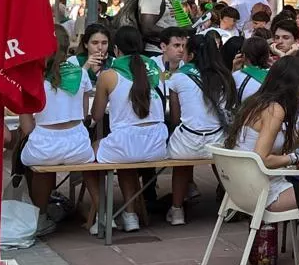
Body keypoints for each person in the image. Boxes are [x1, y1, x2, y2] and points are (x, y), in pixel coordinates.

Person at [224, 55, 299, 265]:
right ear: (294, 84)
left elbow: (272, 149)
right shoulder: (275, 109)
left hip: (240, 190)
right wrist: (296, 160)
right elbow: (262, 157)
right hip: (262, 192)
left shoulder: (257, 102)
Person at [20, 27, 102, 234]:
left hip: (44, 149)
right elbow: (84, 116)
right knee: (90, 158)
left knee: (32, 158)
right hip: (78, 147)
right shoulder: (82, 74)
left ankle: (40, 216)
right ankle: (103, 213)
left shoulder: (32, 79)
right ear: (69, 48)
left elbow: (28, 128)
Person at [92, 26, 168, 233]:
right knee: (126, 156)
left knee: (91, 152)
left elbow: (97, 116)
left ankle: (105, 215)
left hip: (127, 144)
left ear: (116, 49)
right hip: (158, 143)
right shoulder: (155, 68)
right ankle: (130, 214)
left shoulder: (109, 75)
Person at [164, 32, 241, 224]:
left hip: (187, 143)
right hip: (217, 142)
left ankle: (177, 211)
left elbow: (175, 118)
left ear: (190, 55)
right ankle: (231, 203)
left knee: (181, 165)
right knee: (220, 162)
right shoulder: (225, 76)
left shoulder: (178, 78)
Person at [233, 36, 273, 100]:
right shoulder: (275, 76)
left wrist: (234, 70)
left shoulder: (236, 76)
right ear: (268, 55)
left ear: (244, 56)